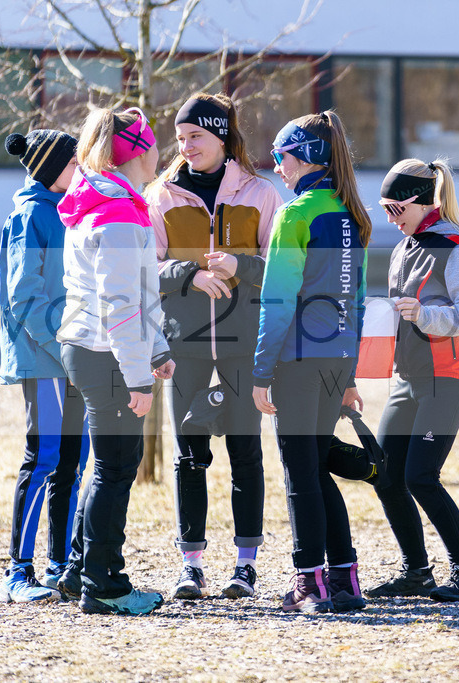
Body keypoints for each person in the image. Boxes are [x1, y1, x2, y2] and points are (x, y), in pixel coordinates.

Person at [147, 93, 281, 600]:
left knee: (246, 453)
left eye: (195, 136)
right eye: (180, 138)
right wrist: (191, 276)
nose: (185, 146)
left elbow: (281, 274)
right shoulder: (159, 195)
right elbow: (144, 271)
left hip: (244, 345)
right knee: (189, 454)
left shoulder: (262, 194)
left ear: (221, 136)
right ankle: (192, 565)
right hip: (186, 347)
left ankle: (245, 566)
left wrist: (238, 267)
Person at [54, 107, 174, 615]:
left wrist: (159, 346)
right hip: (107, 356)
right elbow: (121, 304)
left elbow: (136, 292)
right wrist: (138, 377)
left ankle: (81, 569)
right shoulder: (120, 213)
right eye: (151, 146)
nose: (158, 156)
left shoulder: (96, 200)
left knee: (103, 466)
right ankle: (104, 584)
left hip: (85, 350)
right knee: (116, 466)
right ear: (136, 152)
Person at [252, 111, 370, 614]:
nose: (277, 167)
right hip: (338, 357)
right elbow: (358, 300)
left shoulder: (297, 214)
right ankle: (345, 580)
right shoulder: (350, 214)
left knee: (300, 472)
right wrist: (351, 370)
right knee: (318, 468)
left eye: (281, 157)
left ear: (307, 157)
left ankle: (308, 583)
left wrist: (259, 372)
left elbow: (276, 300)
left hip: (299, 361)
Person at [361, 158, 459, 602]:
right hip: (409, 376)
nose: (390, 219)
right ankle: (416, 572)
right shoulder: (404, 247)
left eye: (396, 208)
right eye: (385, 209)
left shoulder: (455, 248)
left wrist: (426, 315)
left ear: (421, 201)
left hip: (448, 376)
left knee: (421, 477)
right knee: (384, 472)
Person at [0, 129, 91, 603]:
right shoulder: (30, 214)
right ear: (53, 169)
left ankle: (59, 565)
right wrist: (64, 346)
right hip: (46, 357)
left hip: (78, 357)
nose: (85, 171)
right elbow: (24, 296)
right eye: (77, 164)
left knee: (73, 465)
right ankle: (18, 572)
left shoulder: (73, 210)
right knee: (45, 459)